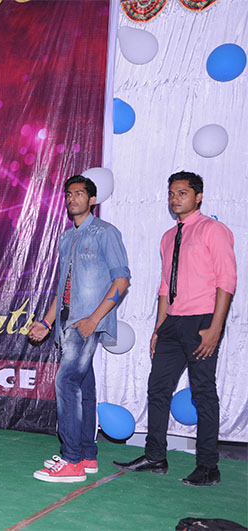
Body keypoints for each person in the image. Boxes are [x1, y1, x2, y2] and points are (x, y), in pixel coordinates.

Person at [114, 171, 236, 487]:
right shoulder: (168, 237)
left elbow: (226, 281)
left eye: (182, 193)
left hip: (202, 321)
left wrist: (215, 327)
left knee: (203, 392)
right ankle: (155, 457)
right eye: (171, 193)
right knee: (157, 388)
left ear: (198, 196)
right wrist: (158, 328)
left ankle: (208, 467)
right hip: (172, 322)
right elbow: (165, 287)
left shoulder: (214, 230)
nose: (174, 198)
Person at [29, 175, 130, 483]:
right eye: (69, 194)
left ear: (92, 200)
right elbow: (63, 287)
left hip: (86, 323)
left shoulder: (105, 233)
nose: (72, 198)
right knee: (84, 387)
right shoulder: (66, 238)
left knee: (66, 381)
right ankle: (86, 455)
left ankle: (71, 460)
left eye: (79, 193)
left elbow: (122, 281)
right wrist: (46, 322)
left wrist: (94, 320)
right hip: (66, 323)